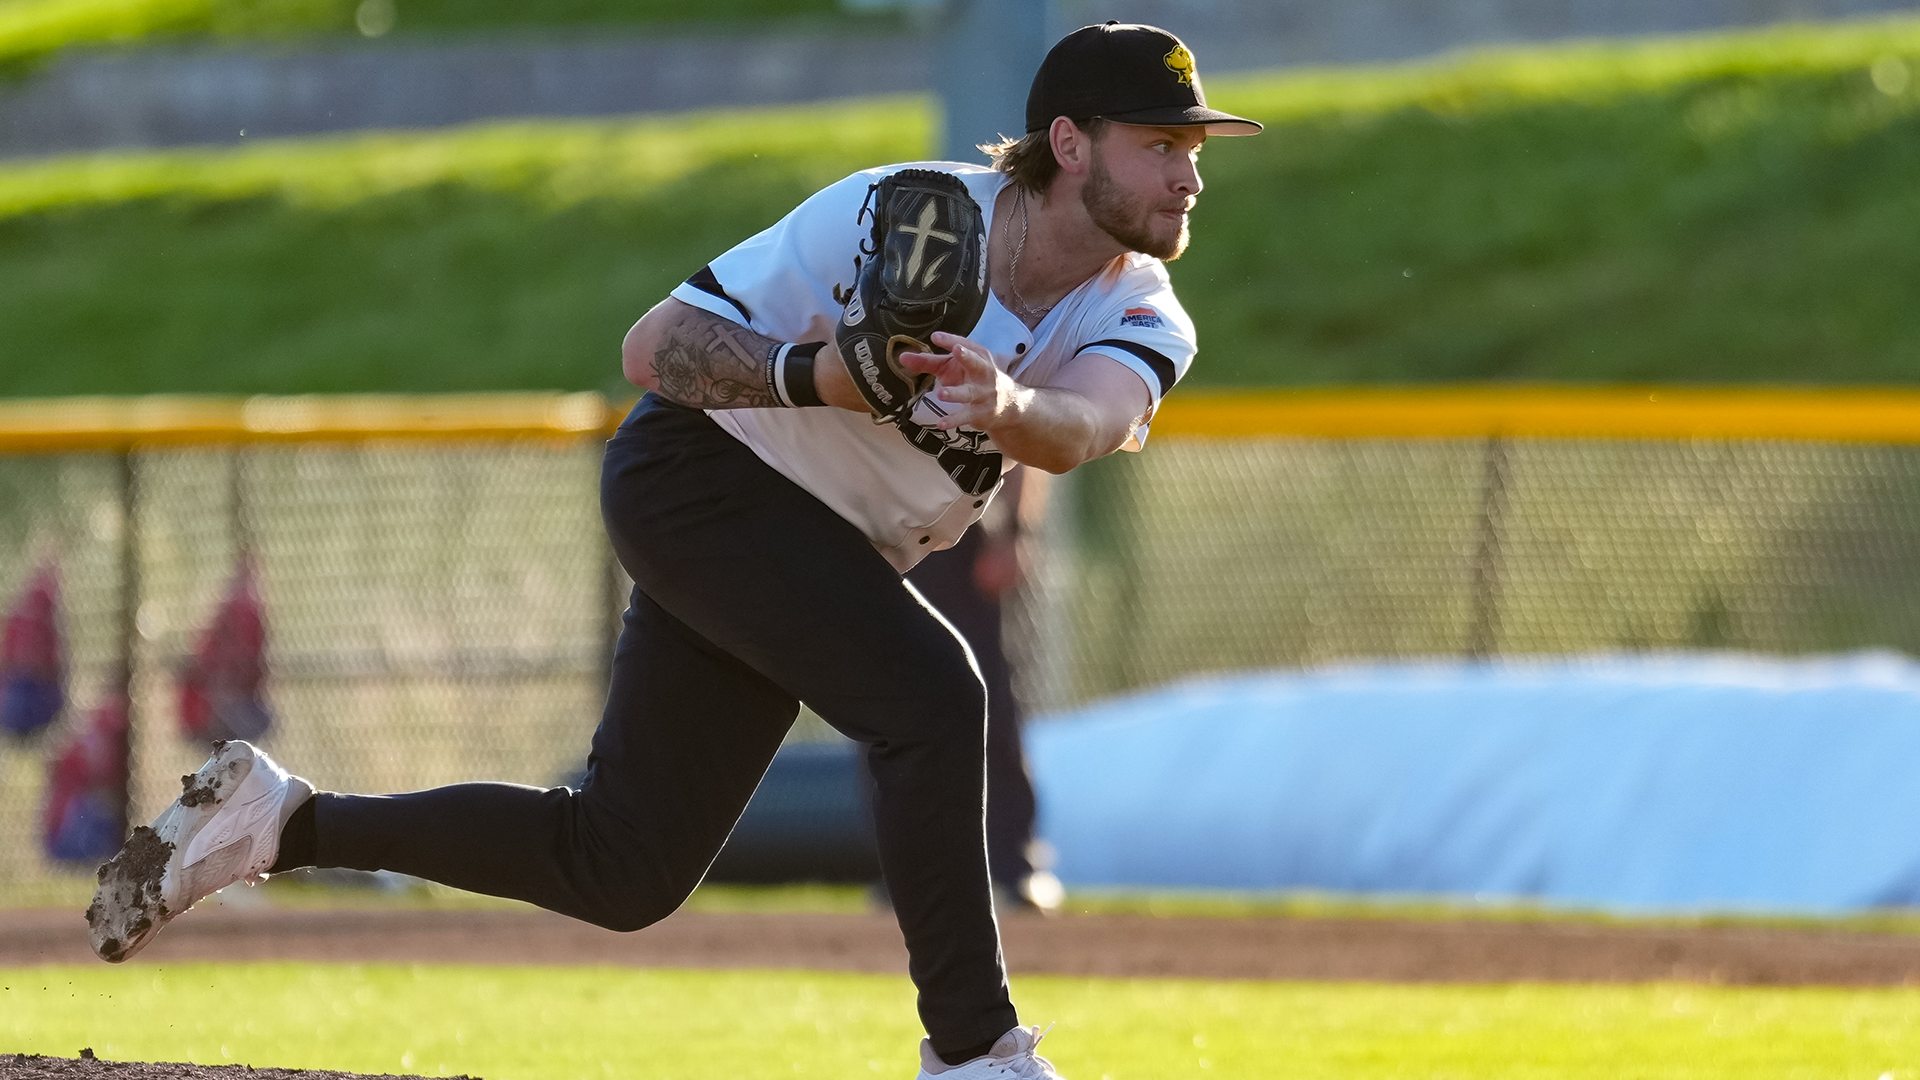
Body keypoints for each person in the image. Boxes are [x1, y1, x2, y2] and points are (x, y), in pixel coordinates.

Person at [85, 22, 1259, 1080]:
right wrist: (813, 374)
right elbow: (657, 346)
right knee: (935, 698)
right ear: (1070, 142)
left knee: (624, 868)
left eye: (1195, 145)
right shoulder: (896, 209)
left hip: (819, 548)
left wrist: (1004, 401)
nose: (1190, 171)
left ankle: (280, 824)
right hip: (698, 481)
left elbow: (1085, 426)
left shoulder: (1141, 308)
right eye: (1162, 141)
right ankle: (974, 1052)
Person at [903, 465, 1062, 914]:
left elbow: (1018, 435)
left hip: (963, 533)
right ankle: (908, 869)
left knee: (985, 695)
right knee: (885, 702)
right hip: (883, 528)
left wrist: (1014, 532)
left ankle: (1016, 863)